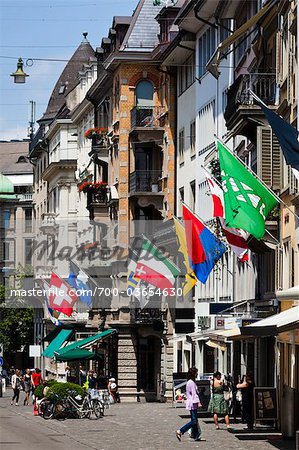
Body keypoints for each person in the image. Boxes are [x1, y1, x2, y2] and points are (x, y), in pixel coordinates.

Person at [176, 367, 202, 442]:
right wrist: (198, 402)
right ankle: (180, 431)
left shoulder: (191, 382)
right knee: (194, 421)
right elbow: (194, 394)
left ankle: (195, 435)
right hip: (192, 403)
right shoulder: (191, 382)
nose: (197, 374)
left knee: (195, 420)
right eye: (196, 373)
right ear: (193, 374)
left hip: (192, 403)